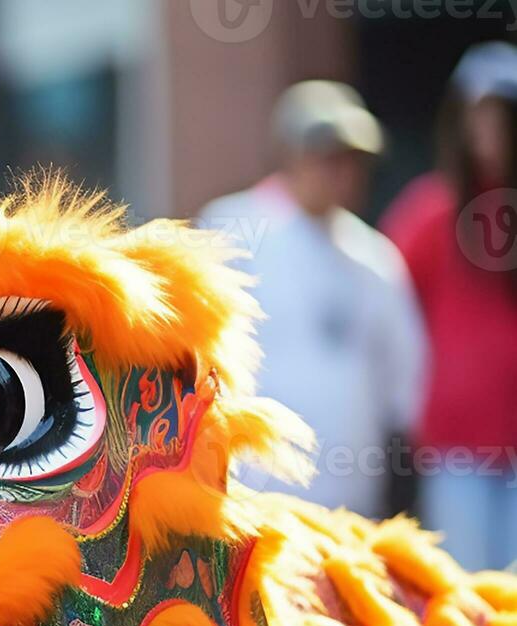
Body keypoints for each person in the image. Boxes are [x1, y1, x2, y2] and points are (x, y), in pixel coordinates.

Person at [199, 80, 428, 519]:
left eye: (352, 160)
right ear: (291, 154)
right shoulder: (234, 228)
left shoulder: (375, 257)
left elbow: (406, 383)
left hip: (353, 506)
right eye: (328, 156)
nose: (341, 172)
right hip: (255, 500)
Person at [382, 43, 517, 571]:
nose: (487, 133)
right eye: (476, 117)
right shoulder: (430, 212)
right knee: (466, 602)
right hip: (456, 453)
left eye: (501, 118)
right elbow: (384, 303)